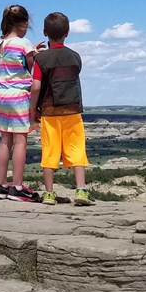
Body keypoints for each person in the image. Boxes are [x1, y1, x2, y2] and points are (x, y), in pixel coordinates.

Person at [30, 12, 94, 206]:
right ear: (67, 32)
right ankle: (81, 191)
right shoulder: (75, 57)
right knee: (77, 149)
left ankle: (49, 193)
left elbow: (36, 87)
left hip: (49, 112)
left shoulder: (42, 60)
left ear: (44, 32)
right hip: (73, 110)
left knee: (49, 151)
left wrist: (34, 109)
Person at [0, 4, 45, 202]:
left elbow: (13, 63)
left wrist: (32, 51)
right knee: (20, 140)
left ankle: (1, 184)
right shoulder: (24, 43)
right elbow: (30, 67)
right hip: (19, 95)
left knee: (5, 140)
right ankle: (18, 187)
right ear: (23, 23)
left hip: (1, 95)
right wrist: (35, 54)